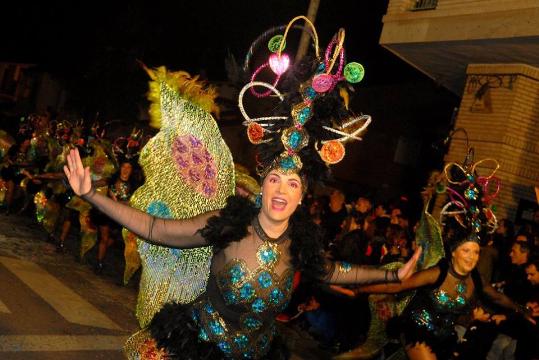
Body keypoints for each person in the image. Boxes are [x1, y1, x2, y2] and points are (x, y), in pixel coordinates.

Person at [64, 16, 421, 359]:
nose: (281, 190)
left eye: (292, 183)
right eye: (275, 179)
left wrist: (393, 274)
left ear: (301, 196)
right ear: (263, 186)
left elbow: (334, 271)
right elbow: (156, 228)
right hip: (198, 348)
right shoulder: (229, 223)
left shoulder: (301, 244)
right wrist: (91, 194)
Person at [354, 156, 535, 360]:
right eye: (466, 251)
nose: (472, 257)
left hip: (444, 337)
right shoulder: (437, 273)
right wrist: (361, 289)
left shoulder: (476, 279)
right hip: (416, 329)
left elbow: (497, 296)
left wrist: (522, 309)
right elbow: (397, 286)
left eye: (476, 252)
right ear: (455, 252)